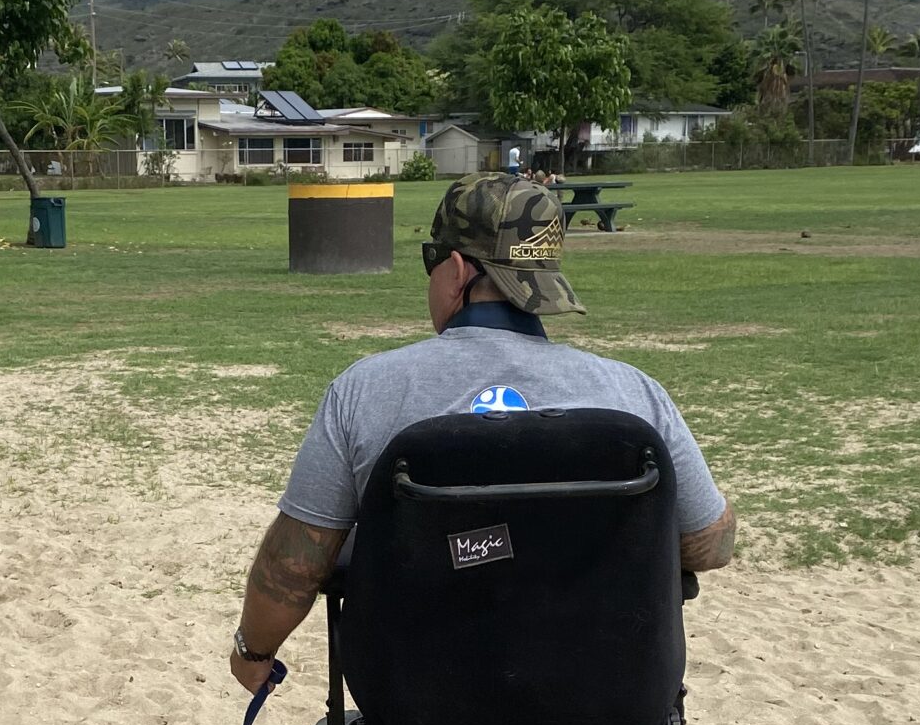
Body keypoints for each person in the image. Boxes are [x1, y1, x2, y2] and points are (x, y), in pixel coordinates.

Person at [229, 175, 735, 692]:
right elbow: (709, 546)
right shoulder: (633, 393)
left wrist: (254, 652)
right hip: (605, 705)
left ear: (454, 270)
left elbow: (295, 563)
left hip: (418, 712)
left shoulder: (365, 391)